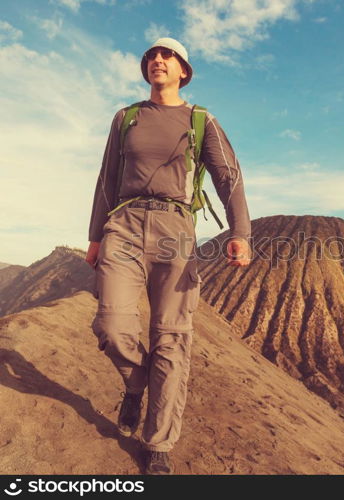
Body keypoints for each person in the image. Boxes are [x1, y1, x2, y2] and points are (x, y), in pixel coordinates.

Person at [85, 37, 251, 474]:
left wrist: (241, 233)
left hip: (175, 229)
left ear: (184, 70)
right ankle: (137, 380)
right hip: (122, 226)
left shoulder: (200, 120)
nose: (157, 60)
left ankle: (158, 444)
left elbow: (228, 176)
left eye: (167, 56)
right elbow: (107, 179)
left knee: (172, 337)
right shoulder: (127, 118)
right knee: (112, 323)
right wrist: (95, 236)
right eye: (150, 57)